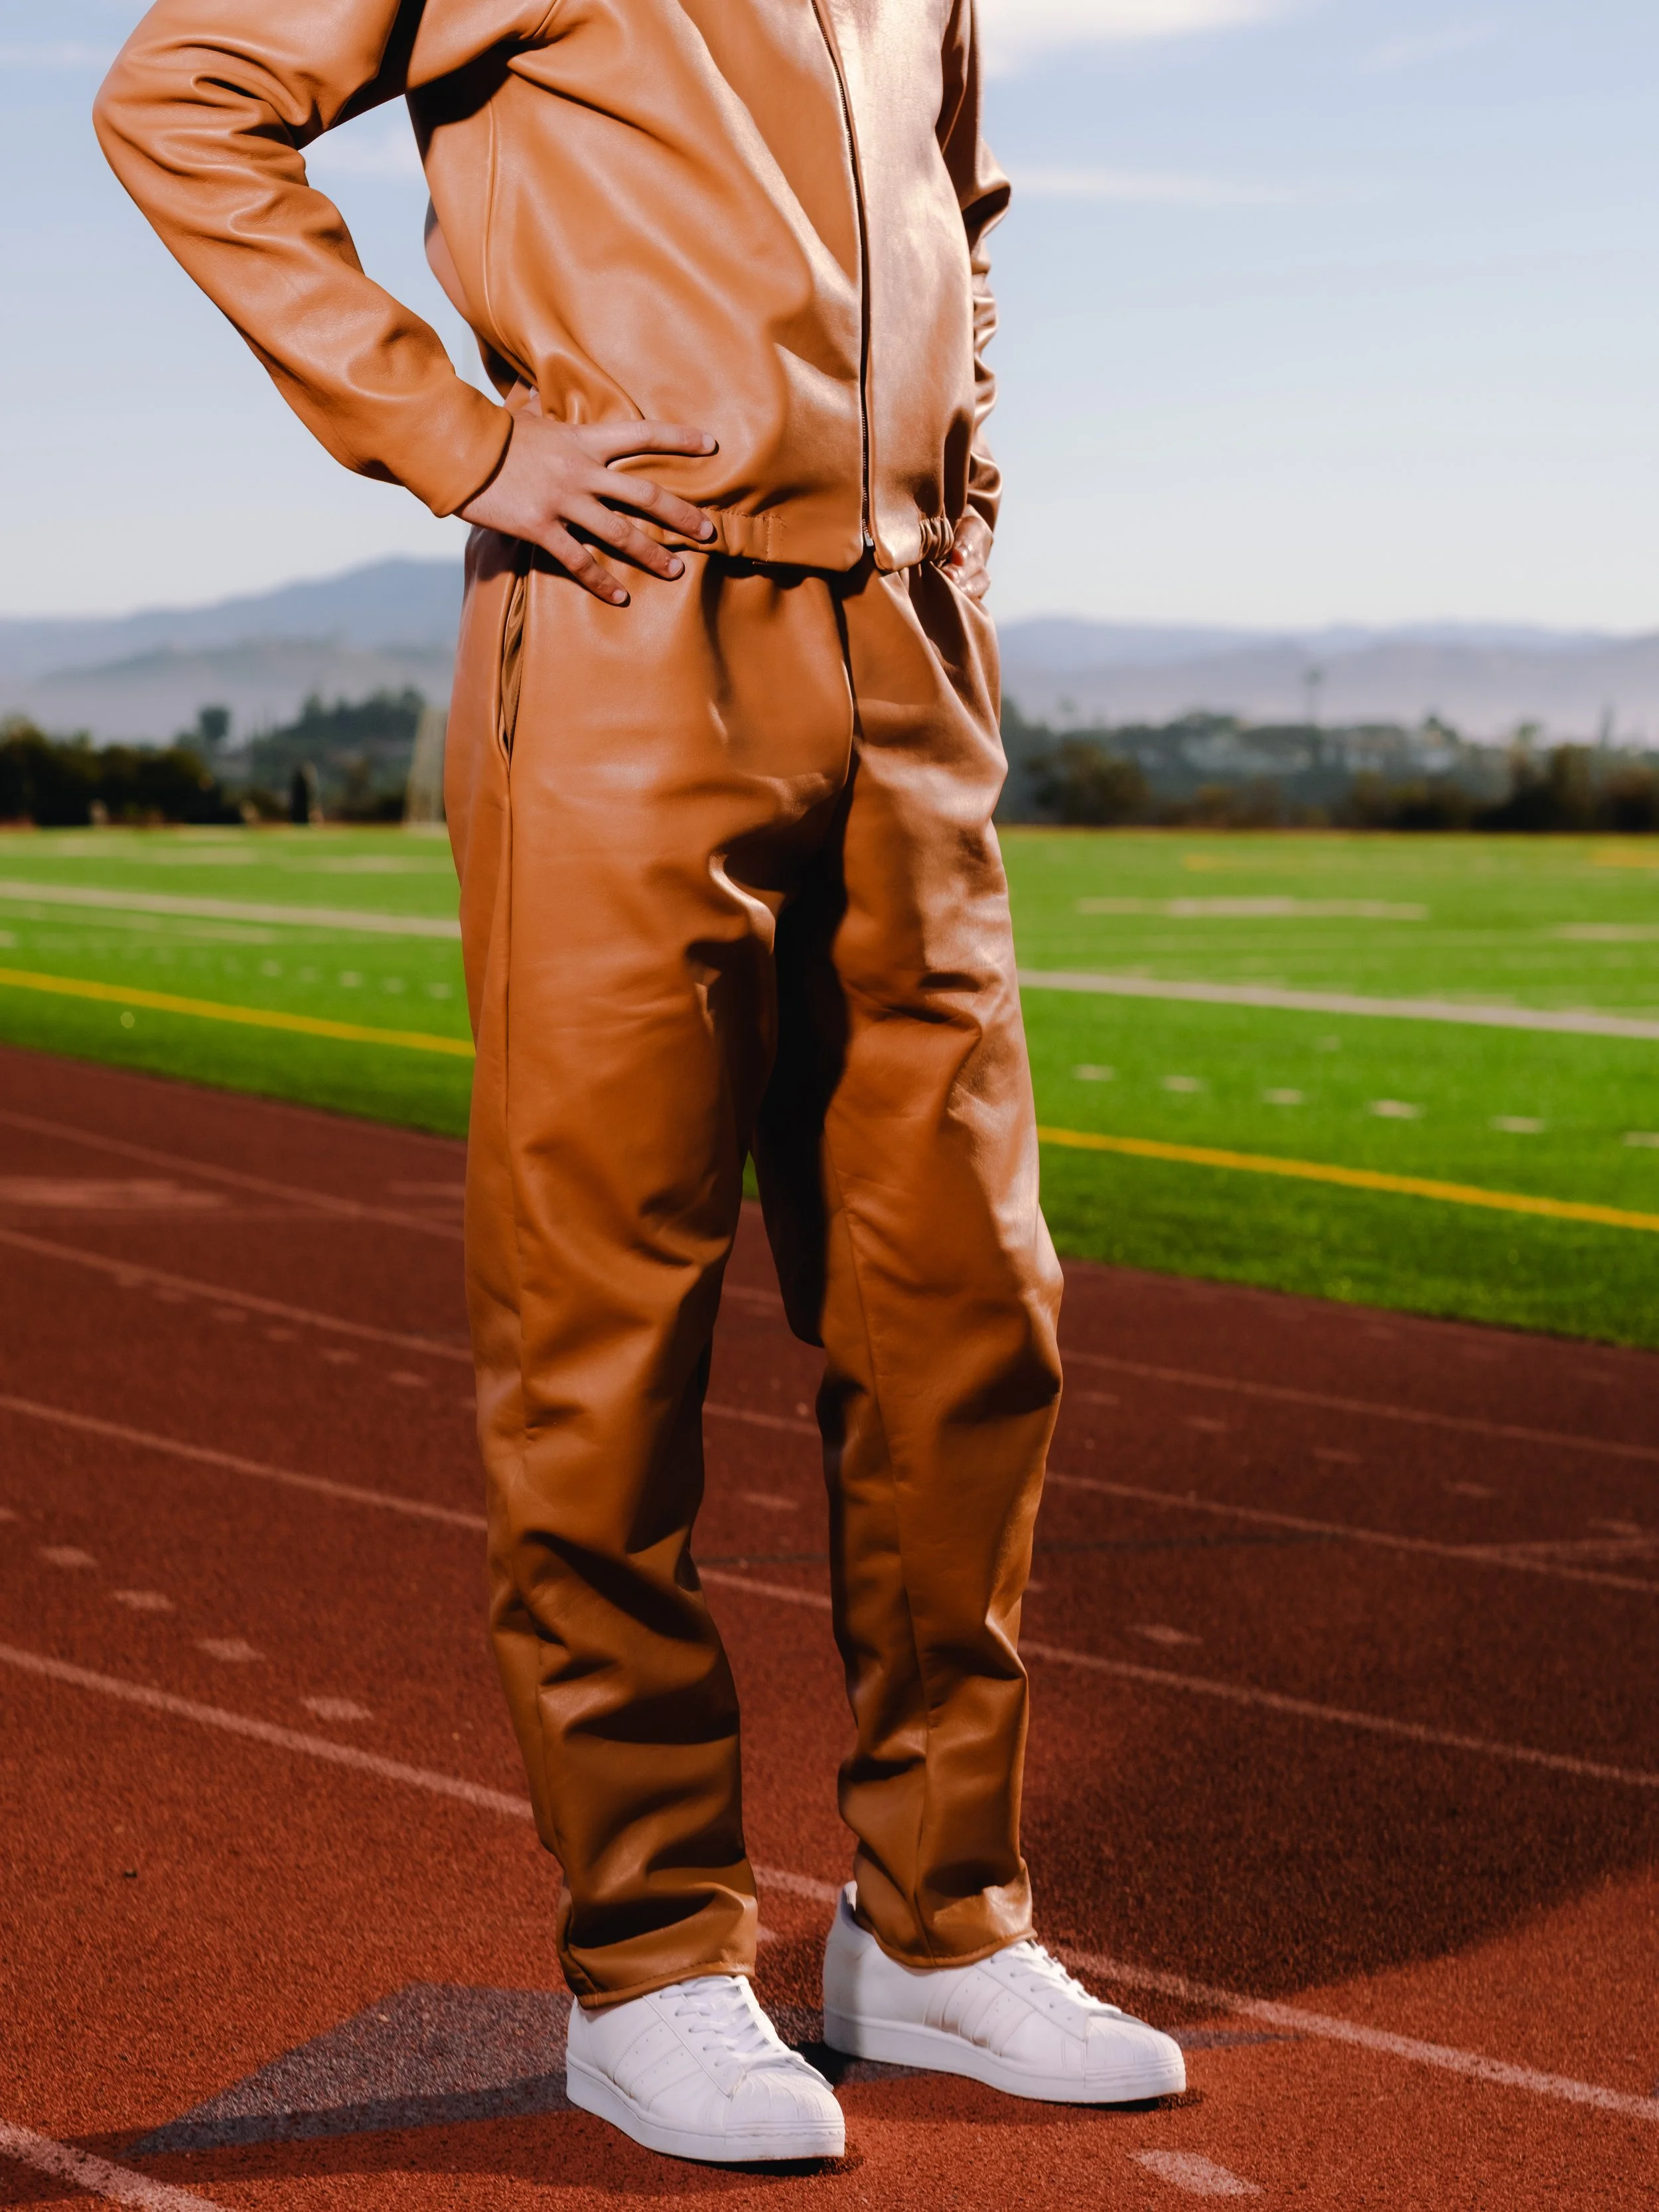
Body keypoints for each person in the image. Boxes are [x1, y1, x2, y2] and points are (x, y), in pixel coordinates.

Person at [96, 0, 1187, 2165]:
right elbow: (180, 97)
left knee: (970, 1315)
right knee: (608, 1326)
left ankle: (941, 1930)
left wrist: (961, 489)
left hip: (903, 650)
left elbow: (956, 201)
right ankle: (654, 1962)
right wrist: (454, 438)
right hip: (623, 622)